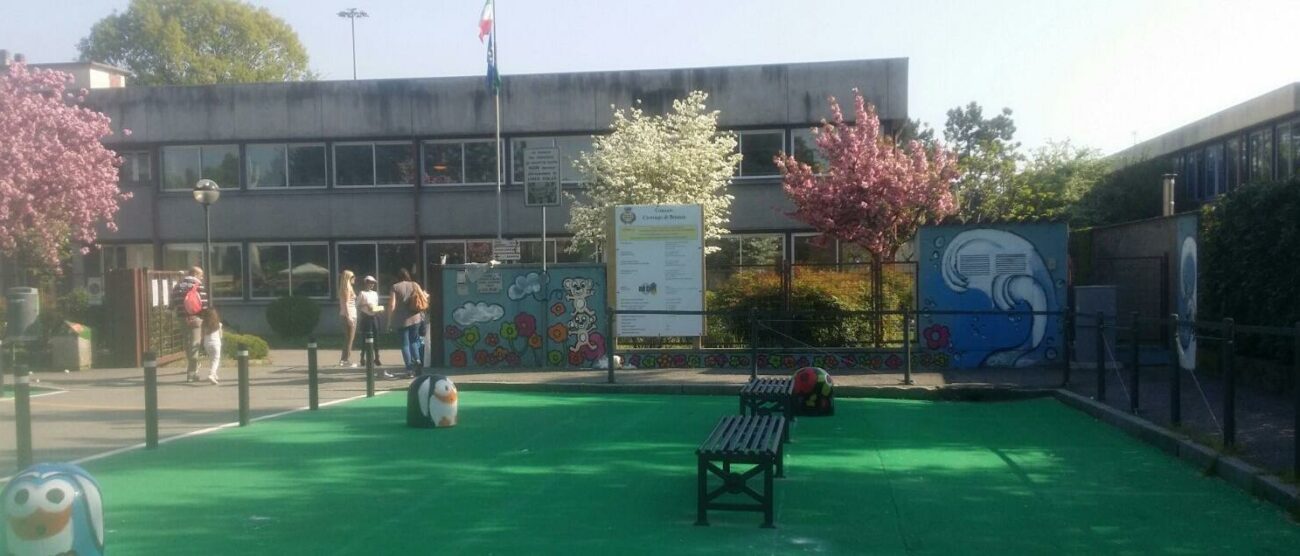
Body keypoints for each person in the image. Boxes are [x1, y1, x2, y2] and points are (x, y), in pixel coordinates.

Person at [170, 266, 209, 382]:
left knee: (187, 342)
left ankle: (193, 366)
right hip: (196, 317)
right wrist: (206, 317)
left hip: (182, 317)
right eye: (201, 275)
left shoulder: (178, 286)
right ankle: (192, 372)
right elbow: (204, 304)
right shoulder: (198, 286)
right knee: (195, 344)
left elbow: (173, 302)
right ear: (195, 274)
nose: (202, 277)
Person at [386, 268, 425, 379]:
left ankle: (409, 369)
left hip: (401, 320)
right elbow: (424, 298)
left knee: (405, 344)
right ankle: (417, 360)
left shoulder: (395, 287)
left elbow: (392, 305)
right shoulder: (415, 285)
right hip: (416, 318)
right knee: (414, 341)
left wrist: (389, 321)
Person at [356, 275, 384, 368]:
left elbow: (376, 304)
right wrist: (365, 304)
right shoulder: (362, 293)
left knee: (376, 336)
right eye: (370, 283)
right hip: (366, 317)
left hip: (374, 316)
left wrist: (378, 309)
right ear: (366, 283)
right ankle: (363, 357)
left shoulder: (375, 294)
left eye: (373, 283)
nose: (371, 285)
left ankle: (377, 357)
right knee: (365, 337)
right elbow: (357, 305)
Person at [337, 270, 359, 368]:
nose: (355, 278)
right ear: (348, 278)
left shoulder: (349, 288)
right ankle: (345, 360)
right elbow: (345, 303)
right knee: (349, 339)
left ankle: (344, 359)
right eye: (353, 277)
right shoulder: (346, 288)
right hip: (349, 316)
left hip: (349, 315)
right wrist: (349, 317)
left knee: (348, 339)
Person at [199, 307, 222, 385]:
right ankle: (211, 374)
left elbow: (201, 335)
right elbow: (221, 335)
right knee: (216, 359)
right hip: (216, 344)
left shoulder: (203, 324)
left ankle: (214, 374)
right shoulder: (218, 324)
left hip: (207, 344)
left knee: (212, 359)